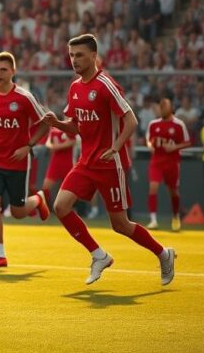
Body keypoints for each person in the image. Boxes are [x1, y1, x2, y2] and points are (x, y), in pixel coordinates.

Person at [42, 34, 175, 286]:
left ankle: (163, 254)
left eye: (79, 55)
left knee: (121, 225)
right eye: (71, 55)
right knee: (60, 207)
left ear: (93, 56)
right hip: (85, 162)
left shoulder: (106, 84)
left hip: (109, 164)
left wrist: (115, 147)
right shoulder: (75, 86)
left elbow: (131, 120)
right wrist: (56, 123)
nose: (74, 60)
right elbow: (75, 127)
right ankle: (98, 255)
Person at [0, 52, 51, 268]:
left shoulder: (24, 98)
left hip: (18, 163)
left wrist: (28, 145)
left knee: (18, 213)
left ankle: (37, 200)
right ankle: (0, 255)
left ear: (13, 72)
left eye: (3, 69)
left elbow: (45, 123)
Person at [146, 98, 191, 231]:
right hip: (157, 160)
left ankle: (176, 217)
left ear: (171, 108)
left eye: (165, 106)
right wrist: (150, 146)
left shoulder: (178, 124)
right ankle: (153, 220)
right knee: (153, 187)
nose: (163, 109)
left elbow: (187, 142)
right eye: (161, 106)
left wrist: (175, 147)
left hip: (172, 161)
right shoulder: (153, 124)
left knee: (173, 192)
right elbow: (149, 140)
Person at [42, 126, 75, 203]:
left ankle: (72, 207)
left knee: (72, 189)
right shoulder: (53, 131)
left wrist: (56, 146)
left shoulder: (70, 130)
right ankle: (46, 208)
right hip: (55, 163)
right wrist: (56, 146)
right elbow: (47, 144)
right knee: (45, 187)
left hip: (67, 163)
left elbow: (72, 142)